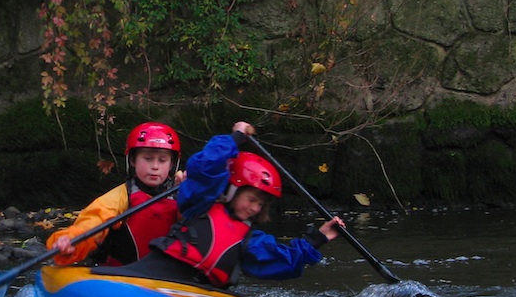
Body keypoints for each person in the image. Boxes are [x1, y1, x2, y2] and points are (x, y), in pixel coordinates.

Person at [109, 121, 344, 288]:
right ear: (232, 190)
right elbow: (205, 167)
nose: (255, 208)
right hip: (157, 277)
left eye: (261, 204)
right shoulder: (198, 204)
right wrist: (234, 139)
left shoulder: (248, 239)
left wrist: (318, 238)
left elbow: (282, 259)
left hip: (200, 293)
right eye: (251, 199)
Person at [46, 121, 185, 266]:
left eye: (162, 160)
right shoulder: (120, 197)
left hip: (167, 274)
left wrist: (193, 192)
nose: (155, 166)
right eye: (148, 158)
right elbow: (93, 221)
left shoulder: (182, 192)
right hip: (121, 273)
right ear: (132, 160)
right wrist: (71, 238)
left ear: (171, 164)